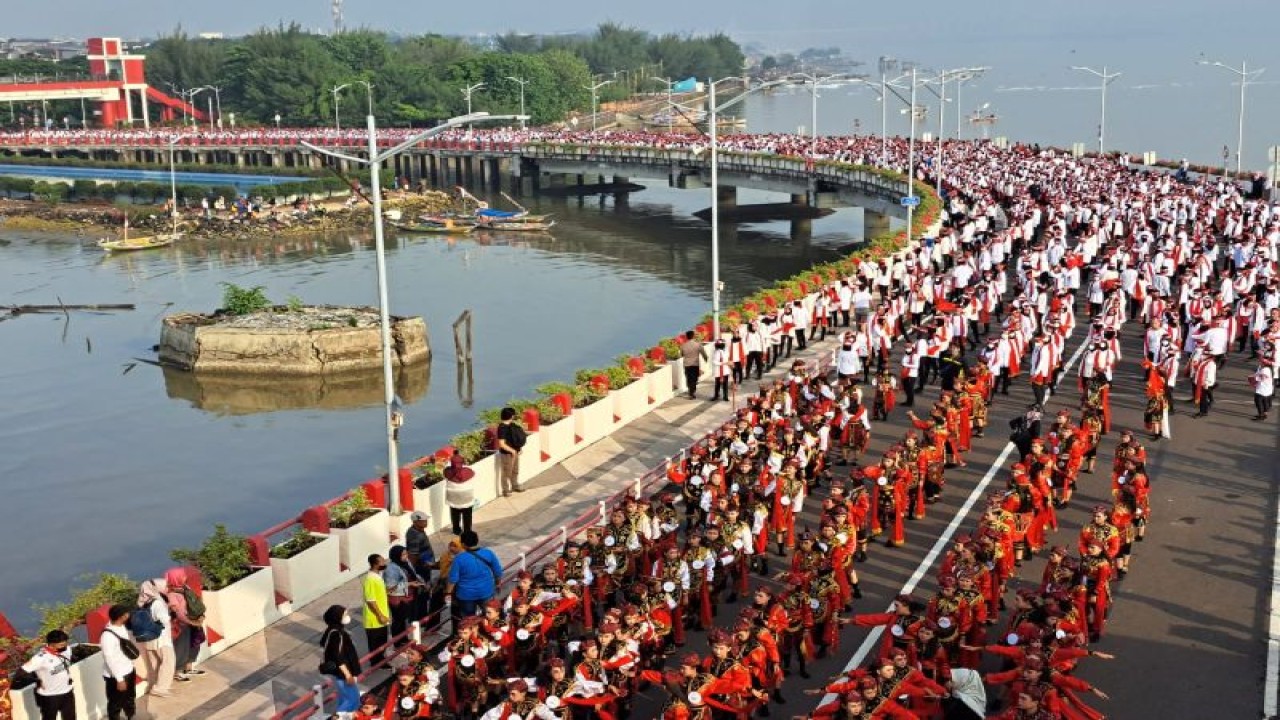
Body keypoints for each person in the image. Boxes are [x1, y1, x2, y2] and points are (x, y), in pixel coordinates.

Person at [446, 530, 503, 620]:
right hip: (486, 592)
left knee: (469, 620)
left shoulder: (459, 559)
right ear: (477, 540)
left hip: (466, 595)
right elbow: (498, 572)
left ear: (463, 544)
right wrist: (498, 583)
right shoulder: (488, 553)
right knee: (490, 617)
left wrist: (448, 593)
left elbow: (453, 579)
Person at [22, 629, 76, 719]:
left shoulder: (67, 650)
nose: (65, 646)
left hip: (67, 692)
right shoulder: (40, 658)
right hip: (50, 697)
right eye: (61, 645)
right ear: (51, 645)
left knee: (71, 717)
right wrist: (36, 680)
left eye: (65, 643)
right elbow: (23, 671)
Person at [136, 577, 176, 698]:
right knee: (168, 661)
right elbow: (164, 620)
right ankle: (161, 688)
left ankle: (153, 684)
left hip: (148, 639)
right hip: (161, 638)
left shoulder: (142, 603)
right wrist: (170, 615)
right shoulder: (157, 602)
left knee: (154, 663)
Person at [321, 604, 363, 719]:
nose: (347, 616)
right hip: (343, 674)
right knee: (352, 700)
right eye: (344, 614)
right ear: (337, 617)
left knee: (344, 699)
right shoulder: (336, 634)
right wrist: (348, 674)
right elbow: (338, 657)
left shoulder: (333, 630)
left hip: (341, 673)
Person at [164, 567, 205, 683]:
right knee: (181, 647)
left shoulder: (184, 588)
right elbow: (179, 613)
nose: (184, 577)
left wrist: (199, 616)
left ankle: (189, 668)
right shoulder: (172, 595)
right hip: (182, 624)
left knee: (194, 644)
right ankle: (177, 672)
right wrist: (192, 622)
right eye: (181, 576)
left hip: (193, 621)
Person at [100, 605, 138, 720]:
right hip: (117, 676)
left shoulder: (121, 626)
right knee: (115, 703)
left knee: (130, 698)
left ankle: (130, 716)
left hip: (129, 670)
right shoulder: (107, 636)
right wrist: (119, 679)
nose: (129, 615)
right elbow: (109, 658)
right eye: (127, 614)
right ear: (122, 617)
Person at [384, 545, 427, 643]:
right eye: (403, 554)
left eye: (406, 553)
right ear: (396, 556)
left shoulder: (405, 563)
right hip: (397, 598)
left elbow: (413, 574)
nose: (406, 556)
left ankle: (404, 639)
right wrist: (409, 584)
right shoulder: (391, 569)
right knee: (398, 621)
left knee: (404, 619)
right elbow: (391, 588)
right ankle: (398, 642)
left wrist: (421, 582)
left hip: (409, 595)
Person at [363, 554, 391, 655]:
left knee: (383, 642)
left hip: (381, 617)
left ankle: (381, 661)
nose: (384, 563)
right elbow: (370, 600)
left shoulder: (378, 576)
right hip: (374, 619)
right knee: (376, 645)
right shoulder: (370, 579)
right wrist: (380, 615)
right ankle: (376, 663)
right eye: (382, 562)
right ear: (375, 564)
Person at [496, 407, 525, 496]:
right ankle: (506, 490)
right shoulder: (502, 428)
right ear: (511, 416)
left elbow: (514, 438)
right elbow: (501, 444)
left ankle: (515, 485)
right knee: (506, 472)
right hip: (507, 454)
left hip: (515, 451)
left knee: (515, 470)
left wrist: (518, 448)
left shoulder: (512, 425)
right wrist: (512, 451)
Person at [444, 454, 477, 535]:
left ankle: (456, 530)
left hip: (453, 497)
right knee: (467, 515)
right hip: (467, 497)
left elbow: (446, 469)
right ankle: (467, 531)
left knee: (455, 514)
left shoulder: (447, 472)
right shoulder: (469, 471)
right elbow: (473, 472)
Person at [681, 330, 709, 399]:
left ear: (687, 337)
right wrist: (706, 360)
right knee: (694, 379)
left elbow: (682, 354)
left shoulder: (683, 345)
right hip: (695, 364)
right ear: (693, 336)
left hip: (686, 364)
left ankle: (690, 391)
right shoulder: (698, 345)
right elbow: (704, 354)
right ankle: (692, 393)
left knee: (688, 378)